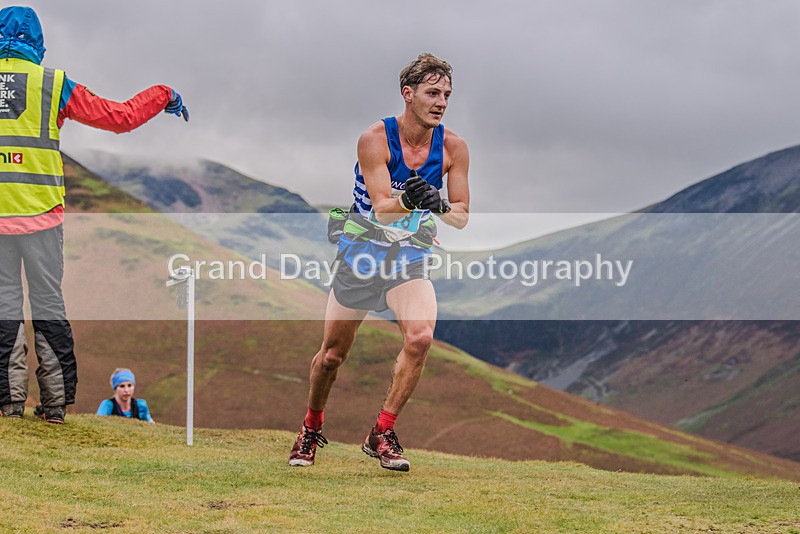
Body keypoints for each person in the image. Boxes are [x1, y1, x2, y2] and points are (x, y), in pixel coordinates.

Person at [0, 6, 188, 424]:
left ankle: (8, 406)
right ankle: (53, 409)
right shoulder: (52, 83)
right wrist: (164, 94)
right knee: (48, 306)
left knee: (4, 308)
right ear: (37, 41)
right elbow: (120, 118)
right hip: (42, 218)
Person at [289, 53, 470, 471]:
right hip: (363, 254)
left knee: (421, 337)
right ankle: (310, 427)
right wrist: (410, 197)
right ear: (408, 94)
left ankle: (381, 432)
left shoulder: (455, 147)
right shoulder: (374, 139)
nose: (441, 102)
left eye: (446, 94)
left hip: (408, 257)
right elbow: (383, 208)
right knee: (332, 356)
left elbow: (461, 217)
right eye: (432, 93)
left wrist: (438, 204)